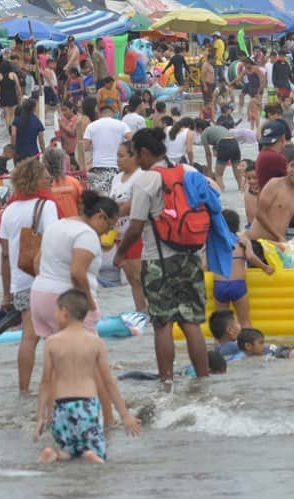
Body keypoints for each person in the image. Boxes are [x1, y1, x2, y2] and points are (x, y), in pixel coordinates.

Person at [113, 128, 210, 381]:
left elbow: (135, 227)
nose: (135, 161)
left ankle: (166, 381)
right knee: (191, 323)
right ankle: (203, 379)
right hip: (190, 256)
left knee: (162, 323)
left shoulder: (147, 181)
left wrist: (120, 254)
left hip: (158, 260)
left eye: (135, 155)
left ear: (145, 152)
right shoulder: (187, 171)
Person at [31, 192, 118, 422]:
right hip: (68, 301)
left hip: (40, 296)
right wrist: (89, 304)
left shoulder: (58, 225)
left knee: (55, 365)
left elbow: (36, 262)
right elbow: (77, 274)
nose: (108, 232)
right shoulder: (86, 234)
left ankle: (52, 419)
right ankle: (108, 421)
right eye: (110, 225)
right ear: (100, 216)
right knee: (95, 364)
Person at [34, 290, 141, 463]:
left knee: (67, 450)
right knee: (94, 449)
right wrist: (125, 415)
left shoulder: (51, 342)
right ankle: (92, 455)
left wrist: (41, 417)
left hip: (61, 407)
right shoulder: (95, 342)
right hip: (87, 406)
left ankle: (55, 454)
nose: (54, 315)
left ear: (65, 312)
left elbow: (45, 381)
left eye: (56, 311)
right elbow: (108, 382)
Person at [0, 158, 60, 393]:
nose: (49, 179)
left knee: (29, 338)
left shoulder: (9, 209)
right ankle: (52, 390)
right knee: (55, 336)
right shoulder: (47, 206)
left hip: (20, 281)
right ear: (35, 180)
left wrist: (6, 294)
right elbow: (54, 241)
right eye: (45, 175)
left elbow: (4, 255)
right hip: (46, 279)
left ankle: (24, 390)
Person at [214, 210, 274, 327]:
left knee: (221, 325)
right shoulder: (242, 240)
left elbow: (205, 264)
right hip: (237, 284)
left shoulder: (215, 242)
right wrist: (265, 268)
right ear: (237, 225)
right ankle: (246, 344)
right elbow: (251, 257)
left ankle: (221, 345)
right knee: (245, 321)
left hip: (220, 284)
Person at [110, 141, 146, 312]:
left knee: (139, 276)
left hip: (136, 233)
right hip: (119, 233)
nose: (118, 159)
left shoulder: (140, 176)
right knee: (131, 278)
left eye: (122, 155)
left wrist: (112, 213)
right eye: (117, 155)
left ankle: (148, 313)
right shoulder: (117, 178)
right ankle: (141, 313)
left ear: (134, 157)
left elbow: (133, 204)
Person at [83, 105, 132, 194]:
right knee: (115, 195)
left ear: (99, 113)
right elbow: (131, 139)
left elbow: (84, 147)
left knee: (99, 196)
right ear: (112, 113)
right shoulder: (122, 125)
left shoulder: (91, 126)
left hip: (98, 166)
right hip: (117, 166)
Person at [195, 119, 241, 190]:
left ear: (199, 129)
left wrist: (209, 170)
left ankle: (221, 190)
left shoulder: (204, 133)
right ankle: (241, 189)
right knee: (238, 175)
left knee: (218, 175)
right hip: (235, 143)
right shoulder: (217, 127)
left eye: (196, 130)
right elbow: (220, 140)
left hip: (224, 144)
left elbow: (208, 154)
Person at [43, 148, 82, 218]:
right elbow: (82, 206)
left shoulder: (42, 186)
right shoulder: (73, 182)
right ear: (61, 162)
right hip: (73, 224)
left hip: (53, 226)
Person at [0, 60, 21, 133]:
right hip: (12, 95)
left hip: (3, 95)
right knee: (13, 113)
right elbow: (18, 86)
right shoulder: (13, 74)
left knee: (6, 113)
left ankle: (8, 129)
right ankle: (13, 128)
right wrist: (20, 95)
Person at [58, 100, 79, 168]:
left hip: (74, 152)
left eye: (65, 110)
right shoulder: (64, 120)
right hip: (65, 151)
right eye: (62, 111)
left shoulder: (77, 119)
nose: (63, 113)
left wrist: (62, 125)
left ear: (72, 109)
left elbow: (72, 132)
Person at [242, 160, 259, 226]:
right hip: (249, 225)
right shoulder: (247, 187)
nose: (252, 181)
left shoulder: (264, 191)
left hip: (261, 228)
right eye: (249, 178)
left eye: (255, 178)